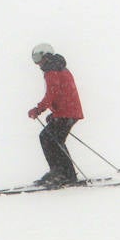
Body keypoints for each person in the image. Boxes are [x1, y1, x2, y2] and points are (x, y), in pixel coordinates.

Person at [26, 42, 84, 186]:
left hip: (67, 112)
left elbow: (52, 94)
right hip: (69, 111)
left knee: (48, 138)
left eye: (38, 58)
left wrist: (38, 110)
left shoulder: (51, 71)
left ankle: (59, 173)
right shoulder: (60, 68)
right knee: (55, 140)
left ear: (46, 56)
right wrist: (55, 113)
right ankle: (67, 174)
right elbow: (61, 93)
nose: (37, 63)